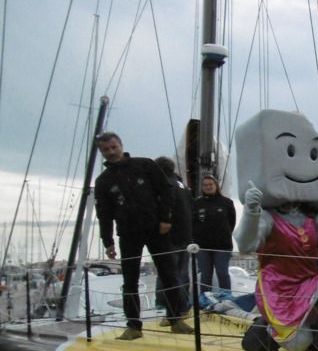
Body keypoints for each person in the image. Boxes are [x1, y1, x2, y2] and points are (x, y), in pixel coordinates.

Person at [234, 109, 318, 351]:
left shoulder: (314, 220)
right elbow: (246, 244)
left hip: (307, 284)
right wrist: (251, 211)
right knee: (298, 345)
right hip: (276, 289)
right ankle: (266, 328)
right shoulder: (270, 218)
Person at [93, 132, 193, 339]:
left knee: (169, 274)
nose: (111, 152)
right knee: (130, 280)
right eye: (106, 150)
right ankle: (133, 326)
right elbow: (104, 213)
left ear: (121, 145)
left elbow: (166, 190)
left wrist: (166, 219)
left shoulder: (145, 165)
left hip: (156, 229)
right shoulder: (103, 181)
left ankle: (175, 320)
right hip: (128, 233)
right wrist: (108, 241)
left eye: (114, 147)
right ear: (101, 152)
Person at [153, 157, 193, 320]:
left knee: (167, 274)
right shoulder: (182, 186)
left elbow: (164, 207)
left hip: (170, 237)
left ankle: (166, 307)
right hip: (185, 237)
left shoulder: (164, 185)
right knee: (182, 274)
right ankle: (183, 307)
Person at [192, 173, 236, 295]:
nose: (208, 187)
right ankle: (205, 299)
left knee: (222, 273)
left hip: (222, 246)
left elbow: (231, 223)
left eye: (210, 184)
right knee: (205, 275)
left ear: (216, 185)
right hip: (202, 246)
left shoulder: (227, 203)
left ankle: (227, 298)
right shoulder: (196, 204)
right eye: (205, 185)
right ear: (202, 187)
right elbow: (192, 223)